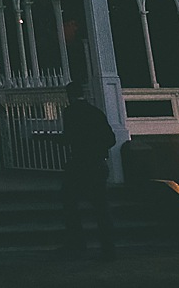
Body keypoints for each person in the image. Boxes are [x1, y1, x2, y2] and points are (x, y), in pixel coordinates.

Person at [61, 80, 117, 257]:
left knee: (69, 203)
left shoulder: (70, 112)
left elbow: (69, 137)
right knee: (101, 208)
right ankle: (108, 248)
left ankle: (77, 243)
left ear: (69, 96)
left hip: (79, 164)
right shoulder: (96, 112)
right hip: (98, 163)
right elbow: (111, 139)